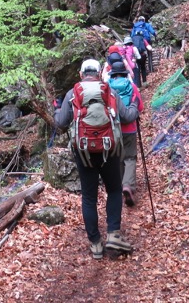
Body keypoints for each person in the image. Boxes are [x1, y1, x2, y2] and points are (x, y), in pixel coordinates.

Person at [54, 58, 138, 259]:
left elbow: (61, 122)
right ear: (100, 73)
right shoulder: (109, 91)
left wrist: (57, 108)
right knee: (114, 190)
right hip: (110, 150)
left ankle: (95, 245)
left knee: (89, 197)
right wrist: (134, 105)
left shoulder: (72, 93)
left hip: (83, 152)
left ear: (81, 74)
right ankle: (113, 234)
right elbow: (127, 117)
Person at [107, 61, 144, 206]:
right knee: (130, 157)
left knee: (119, 158)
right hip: (130, 128)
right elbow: (139, 106)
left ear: (112, 74)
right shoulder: (132, 87)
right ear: (124, 73)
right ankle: (128, 185)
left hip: (113, 129)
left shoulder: (108, 89)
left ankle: (123, 184)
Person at [131, 16, 155, 83]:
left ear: (138, 20)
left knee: (138, 59)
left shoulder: (135, 26)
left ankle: (138, 80)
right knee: (149, 54)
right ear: (144, 20)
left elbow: (132, 35)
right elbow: (152, 31)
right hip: (146, 40)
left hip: (137, 43)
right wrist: (155, 35)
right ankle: (151, 69)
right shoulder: (147, 24)